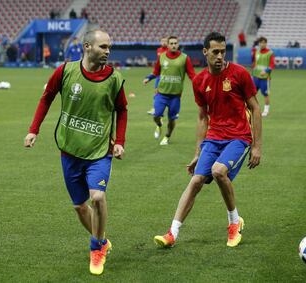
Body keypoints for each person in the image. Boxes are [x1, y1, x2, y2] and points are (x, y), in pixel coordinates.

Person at [23, 30, 128, 276]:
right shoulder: (65, 71)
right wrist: (33, 130)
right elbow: (46, 97)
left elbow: (122, 110)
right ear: (87, 46)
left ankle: (96, 248)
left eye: (109, 47)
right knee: (80, 207)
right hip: (69, 150)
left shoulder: (114, 78)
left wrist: (120, 141)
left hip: (100, 151)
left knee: (98, 198)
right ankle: (102, 240)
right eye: (103, 47)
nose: (107, 51)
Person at [153, 32, 262, 248]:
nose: (220, 56)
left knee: (219, 171)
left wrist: (257, 146)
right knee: (195, 181)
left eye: (223, 52)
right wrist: (197, 152)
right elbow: (203, 117)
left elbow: (255, 108)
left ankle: (233, 224)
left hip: (238, 137)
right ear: (205, 52)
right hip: (214, 138)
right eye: (215, 52)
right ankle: (172, 233)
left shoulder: (239, 74)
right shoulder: (200, 81)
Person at [143, 36, 195, 145]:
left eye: (175, 43)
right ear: (167, 45)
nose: (173, 45)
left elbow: (192, 75)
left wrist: (199, 84)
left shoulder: (185, 58)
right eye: (171, 43)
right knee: (156, 115)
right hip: (161, 94)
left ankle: (167, 136)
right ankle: (159, 125)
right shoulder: (162, 57)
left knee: (172, 119)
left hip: (175, 96)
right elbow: (156, 71)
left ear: (178, 44)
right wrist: (149, 78)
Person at [252, 36, 274, 117]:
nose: (262, 44)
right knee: (252, 94)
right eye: (261, 42)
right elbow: (255, 63)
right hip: (255, 77)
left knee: (265, 94)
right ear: (259, 43)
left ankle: (266, 110)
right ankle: (254, 108)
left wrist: (265, 71)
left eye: (264, 42)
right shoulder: (256, 52)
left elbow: (272, 65)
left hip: (265, 78)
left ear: (266, 43)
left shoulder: (270, 53)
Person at [147, 37, 169, 115]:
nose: (164, 42)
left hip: (167, 75)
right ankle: (155, 109)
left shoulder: (170, 50)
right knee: (156, 91)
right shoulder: (159, 50)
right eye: (162, 41)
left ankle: (172, 110)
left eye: (165, 41)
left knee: (168, 92)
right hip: (159, 75)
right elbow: (158, 62)